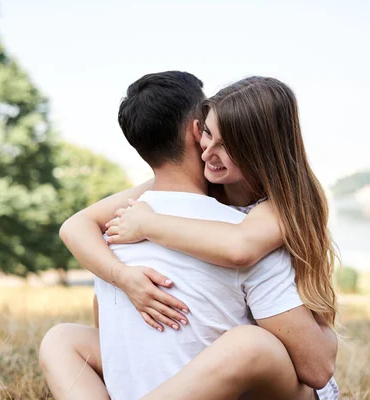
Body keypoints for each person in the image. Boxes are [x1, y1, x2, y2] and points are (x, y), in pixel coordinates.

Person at [40, 72, 339, 399]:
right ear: (197, 129)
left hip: (278, 381)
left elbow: (239, 246)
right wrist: (122, 276)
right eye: (209, 134)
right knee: (60, 338)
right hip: (199, 381)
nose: (210, 150)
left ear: (261, 150)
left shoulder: (273, 212)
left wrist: (148, 226)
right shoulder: (135, 212)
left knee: (252, 345)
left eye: (228, 144)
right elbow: (74, 226)